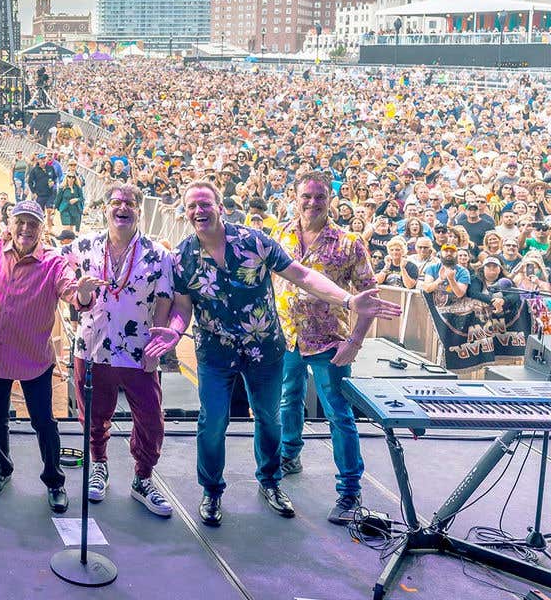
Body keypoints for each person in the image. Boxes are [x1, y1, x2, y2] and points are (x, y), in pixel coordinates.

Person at [150, 181, 399, 527]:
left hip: (264, 350)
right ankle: (211, 492)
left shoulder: (254, 241)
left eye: (205, 203)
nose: (199, 211)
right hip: (216, 354)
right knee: (212, 422)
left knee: (270, 418)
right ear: (185, 211)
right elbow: (182, 308)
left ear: (220, 206)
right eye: (192, 205)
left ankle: (271, 482)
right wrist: (175, 331)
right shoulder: (182, 257)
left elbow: (302, 275)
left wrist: (346, 300)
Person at [0, 200, 99, 514]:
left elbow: (73, 294)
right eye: (21, 222)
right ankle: (0, 468)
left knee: (44, 422)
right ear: (9, 224)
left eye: (33, 224)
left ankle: (54, 481)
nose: (26, 229)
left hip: (33, 359)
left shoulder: (53, 262)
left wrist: (83, 293)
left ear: (42, 229)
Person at [60, 183, 174, 516]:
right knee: (94, 416)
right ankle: (99, 465)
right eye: (115, 202)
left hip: (140, 350)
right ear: (105, 209)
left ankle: (142, 478)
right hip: (93, 348)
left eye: (130, 203)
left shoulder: (158, 254)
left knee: (151, 419)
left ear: (139, 210)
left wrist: (158, 346)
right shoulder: (83, 247)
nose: (122, 208)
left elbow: (165, 299)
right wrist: (79, 294)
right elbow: (66, 287)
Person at [270, 171, 376, 525]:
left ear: (331, 199)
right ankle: (289, 455)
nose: (312, 202)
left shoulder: (349, 242)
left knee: (338, 415)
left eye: (319, 196)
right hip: (288, 336)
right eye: (306, 196)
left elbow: (368, 297)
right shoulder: (281, 234)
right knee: (288, 398)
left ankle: (349, 491)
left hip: (331, 343)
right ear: (295, 197)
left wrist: (356, 341)